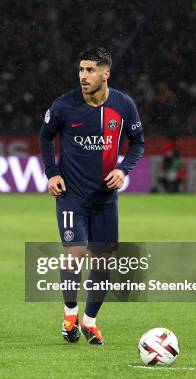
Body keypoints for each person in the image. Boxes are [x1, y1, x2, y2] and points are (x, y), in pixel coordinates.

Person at [39, 47, 145, 345]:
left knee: (102, 262)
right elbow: (45, 136)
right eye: (81, 70)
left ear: (105, 73)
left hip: (105, 199)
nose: (83, 76)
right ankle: (70, 314)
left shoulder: (123, 105)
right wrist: (52, 172)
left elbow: (138, 143)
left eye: (89, 70)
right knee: (76, 252)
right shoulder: (64, 105)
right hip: (71, 195)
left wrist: (124, 170)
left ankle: (90, 322)